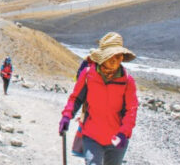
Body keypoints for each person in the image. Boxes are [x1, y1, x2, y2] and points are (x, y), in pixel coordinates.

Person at [59, 32, 138, 165]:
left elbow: (131, 110)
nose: (115, 59)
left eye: (119, 56)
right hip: (91, 135)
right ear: (102, 57)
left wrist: (124, 133)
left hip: (117, 138)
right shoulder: (88, 75)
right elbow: (76, 99)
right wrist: (66, 116)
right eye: (110, 55)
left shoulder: (127, 81)